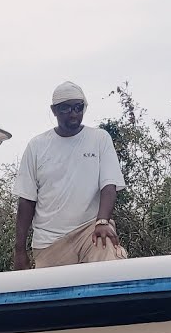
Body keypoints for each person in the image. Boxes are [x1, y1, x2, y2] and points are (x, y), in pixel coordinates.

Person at [12, 81, 128, 269]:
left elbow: (109, 185)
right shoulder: (37, 145)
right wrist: (19, 251)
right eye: (65, 108)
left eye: (78, 107)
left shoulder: (100, 139)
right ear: (54, 110)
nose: (73, 114)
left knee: (110, 260)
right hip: (49, 243)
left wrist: (102, 221)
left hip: (90, 230)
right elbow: (26, 200)